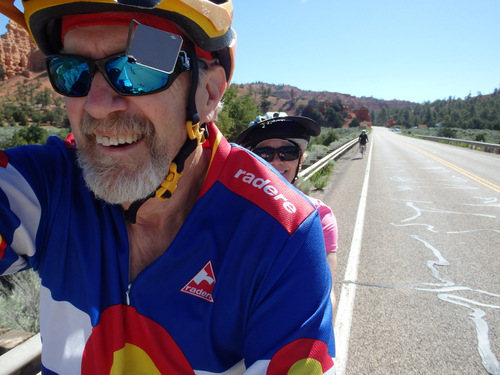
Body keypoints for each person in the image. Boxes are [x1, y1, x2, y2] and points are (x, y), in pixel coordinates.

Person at [0, 1, 335, 374]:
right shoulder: (46, 185)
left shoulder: (280, 232)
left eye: (136, 69)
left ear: (207, 93)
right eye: (71, 72)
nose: (96, 106)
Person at [235, 112, 339, 317]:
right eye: (263, 153)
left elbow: (324, 294)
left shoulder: (319, 217)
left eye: (288, 152)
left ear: (301, 160)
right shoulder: (232, 207)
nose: (275, 161)